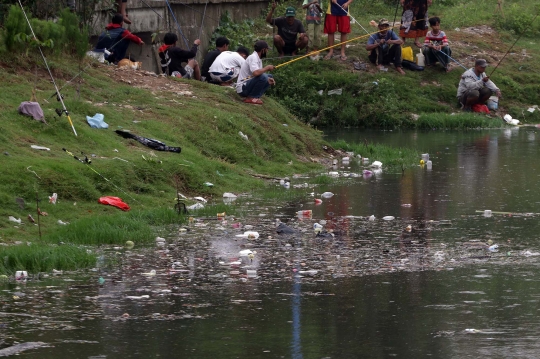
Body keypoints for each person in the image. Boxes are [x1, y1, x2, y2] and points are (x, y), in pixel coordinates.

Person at [236, 40, 275, 105]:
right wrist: (267, 68)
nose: (267, 52)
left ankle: (255, 97)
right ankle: (251, 97)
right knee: (264, 76)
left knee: (269, 76)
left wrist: (267, 80)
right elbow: (255, 73)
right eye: (267, 50)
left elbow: (258, 75)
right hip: (243, 88)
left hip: (248, 85)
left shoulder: (258, 59)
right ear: (263, 50)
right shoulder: (253, 57)